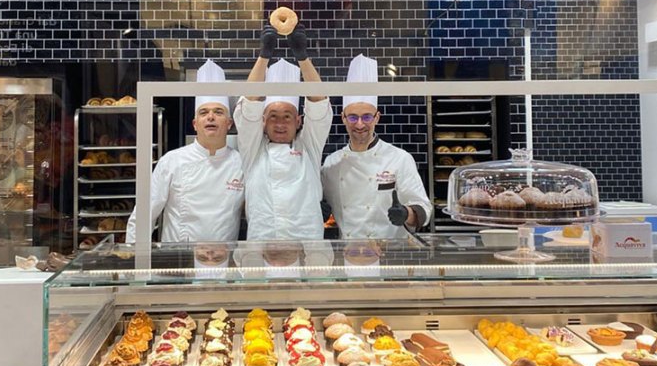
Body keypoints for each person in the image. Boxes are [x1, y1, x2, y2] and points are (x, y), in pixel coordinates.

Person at [125, 60, 244, 244]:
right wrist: (134, 257)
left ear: (229, 123)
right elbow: (143, 216)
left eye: (218, 112)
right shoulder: (172, 161)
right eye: (203, 112)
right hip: (178, 257)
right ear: (195, 124)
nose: (210, 117)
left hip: (224, 258)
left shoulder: (241, 164)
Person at [233, 22, 332, 240]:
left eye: (287, 116)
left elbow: (319, 106)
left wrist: (303, 57)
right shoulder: (253, 150)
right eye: (273, 117)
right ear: (262, 121)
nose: (280, 123)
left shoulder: (309, 147)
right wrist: (263, 56)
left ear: (298, 121)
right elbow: (248, 107)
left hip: (307, 246)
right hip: (263, 243)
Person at [321, 53, 431, 240]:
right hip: (350, 251)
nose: (360, 124)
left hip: (392, 251)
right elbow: (320, 205)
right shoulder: (332, 163)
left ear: (377, 118)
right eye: (353, 117)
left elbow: (424, 209)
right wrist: (318, 210)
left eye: (367, 117)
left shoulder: (399, 158)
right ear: (343, 118)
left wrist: (406, 213)